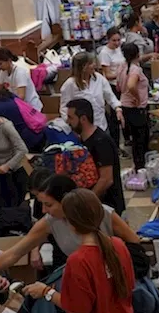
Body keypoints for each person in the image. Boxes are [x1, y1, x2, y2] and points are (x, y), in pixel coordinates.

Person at [0, 175, 143, 303]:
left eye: (48, 204)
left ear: (67, 201)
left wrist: (46, 292)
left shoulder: (105, 215)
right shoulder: (51, 222)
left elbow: (135, 245)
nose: (44, 211)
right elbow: (13, 254)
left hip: (112, 286)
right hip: (86, 286)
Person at [22, 189, 138, 313]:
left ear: (71, 223)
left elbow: (79, 308)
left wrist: (46, 291)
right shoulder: (118, 246)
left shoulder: (78, 261)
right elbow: (129, 287)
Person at [65, 98, 125, 213]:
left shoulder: (101, 142)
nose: (67, 122)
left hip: (107, 206)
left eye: (70, 118)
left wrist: (86, 202)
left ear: (83, 119)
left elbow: (106, 179)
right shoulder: (81, 140)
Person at [60, 52, 123, 133]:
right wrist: (72, 125)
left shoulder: (99, 79)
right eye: (90, 63)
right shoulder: (70, 84)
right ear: (83, 67)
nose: (94, 65)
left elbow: (110, 96)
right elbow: (64, 108)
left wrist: (117, 108)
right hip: (82, 131)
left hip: (101, 126)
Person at [118, 43, 150, 181]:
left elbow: (119, 86)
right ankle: (140, 169)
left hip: (125, 105)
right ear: (137, 54)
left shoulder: (122, 66)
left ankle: (138, 167)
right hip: (136, 109)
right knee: (140, 140)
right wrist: (137, 98)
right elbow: (131, 85)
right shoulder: (135, 70)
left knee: (135, 140)